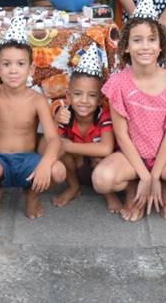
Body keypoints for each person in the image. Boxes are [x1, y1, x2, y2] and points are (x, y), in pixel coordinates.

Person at [91, 0, 166, 222]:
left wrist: (155, 175)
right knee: (102, 179)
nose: (145, 46)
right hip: (129, 155)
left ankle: (164, 188)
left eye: (151, 39)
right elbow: (122, 136)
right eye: (137, 40)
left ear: (161, 45)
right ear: (125, 47)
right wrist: (144, 176)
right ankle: (133, 186)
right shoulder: (118, 82)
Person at [0, 18, 66, 218]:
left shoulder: (37, 100)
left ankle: (32, 194)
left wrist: (45, 165)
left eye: (20, 64)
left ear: (31, 69)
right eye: (7, 64)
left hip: (27, 160)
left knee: (58, 171)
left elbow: (53, 139)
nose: (13, 70)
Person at [47, 44, 120, 211]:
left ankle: (108, 193)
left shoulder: (104, 116)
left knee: (99, 157)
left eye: (92, 95)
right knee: (61, 150)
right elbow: (49, 144)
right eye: (78, 94)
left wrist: (70, 146)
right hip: (77, 167)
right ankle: (73, 187)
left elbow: (106, 148)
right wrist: (55, 121)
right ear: (68, 96)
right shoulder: (65, 114)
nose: (84, 101)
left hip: (100, 169)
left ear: (100, 99)